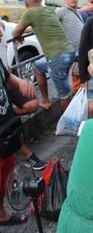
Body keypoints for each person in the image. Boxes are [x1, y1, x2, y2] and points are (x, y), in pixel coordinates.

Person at [12, 0, 75, 112]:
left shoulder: (30, 12)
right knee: (37, 67)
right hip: (68, 52)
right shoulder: (48, 10)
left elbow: (15, 32)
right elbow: (39, 27)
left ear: (26, 3)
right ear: (39, 0)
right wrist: (24, 31)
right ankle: (45, 101)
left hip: (58, 56)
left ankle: (67, 126)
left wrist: (18, 35)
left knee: (64, 94)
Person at [0, 22, 46, 171]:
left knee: (32, 104)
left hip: (4, 84)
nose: (2, 36)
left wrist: (21, 82)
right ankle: (27, 154)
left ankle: (8, 114)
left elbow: (7, 76)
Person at [0, 58, 37, 226]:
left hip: (6, 131)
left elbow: (6, 78)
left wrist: (21, 82)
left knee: (5, 175)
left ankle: (1, 214)